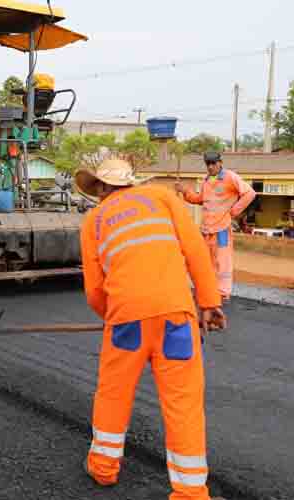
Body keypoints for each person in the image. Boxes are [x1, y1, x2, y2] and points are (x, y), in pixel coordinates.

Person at [76, 158, 226, 500]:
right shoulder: (162, 198)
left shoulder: (95, 220)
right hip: (176, 315)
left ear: (101, 187)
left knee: (113, 393)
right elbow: (195, 251)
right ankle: (190, 491)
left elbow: (94, 290)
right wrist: (209, 302)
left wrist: (112, 317)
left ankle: (103, 467)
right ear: (130, 183)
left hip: (126, 319)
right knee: (184, 402)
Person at [175, 151, 256, 302]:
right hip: (206, 230)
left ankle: (222, 293)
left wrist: (233, 212)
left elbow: (250, 193)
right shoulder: (206, 181)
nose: (211, 166)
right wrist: (185, 191)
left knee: (222, 261)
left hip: (222, 230)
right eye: (208, 164)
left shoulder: (230, 177)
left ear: (220, 162)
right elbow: (199, 199)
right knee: (205, 261)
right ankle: (208, 290)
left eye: (213, 163)